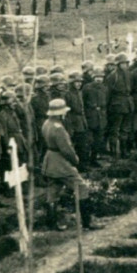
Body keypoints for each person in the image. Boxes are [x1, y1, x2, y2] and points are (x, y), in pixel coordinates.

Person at [41, 98, 98, 231]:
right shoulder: (58, 128)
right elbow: (66, 149)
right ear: (60, 113)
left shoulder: (46, 124)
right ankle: (87, 223)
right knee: (82, 188)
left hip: (50, 160)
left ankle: (51, 224)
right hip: (61, 163)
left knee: (53, 192)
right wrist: (75, 160)